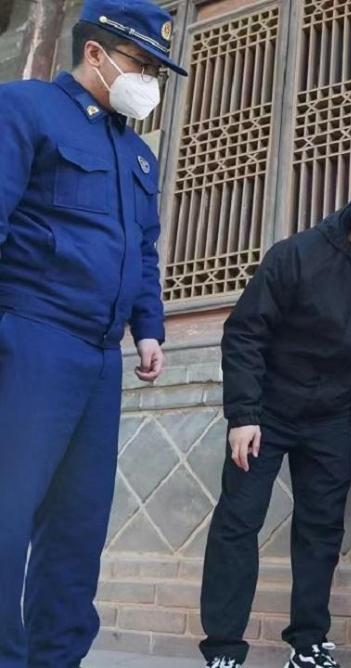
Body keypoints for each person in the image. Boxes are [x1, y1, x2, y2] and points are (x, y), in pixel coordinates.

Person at [0, 1, 186, 666]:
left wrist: (149, 327)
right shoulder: (24, 109)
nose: (149, 82)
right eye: (142, 65)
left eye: (156, 72)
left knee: (78, 523)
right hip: (33, 335)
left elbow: (143, 250)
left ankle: (56, 657)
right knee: (7, 511)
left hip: (101, 356)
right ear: (96, 53)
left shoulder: (137, 155)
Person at [199, 171, 351, 668]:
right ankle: (223, 650)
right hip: (267, 409)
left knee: (321, 529)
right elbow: (245, 334)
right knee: (239, 521)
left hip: (330, 415)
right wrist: (243, 414)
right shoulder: (297, 256)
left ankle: (308, 645)